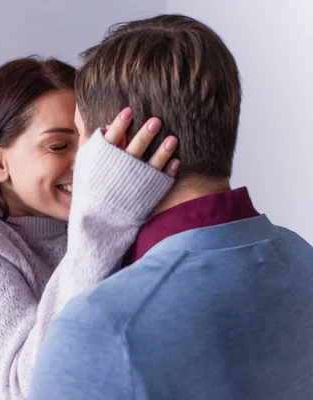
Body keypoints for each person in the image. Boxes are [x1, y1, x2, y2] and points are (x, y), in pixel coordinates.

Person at [28, 14, 313, 400]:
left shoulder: (102, 328)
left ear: (120, 143)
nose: (78, 160)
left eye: (81, 136)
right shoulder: (303, 257)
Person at [0, 56, 180, 400]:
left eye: (91, 145)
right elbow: (32, 389)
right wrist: (106, 215)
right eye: (57, 146)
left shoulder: (85, 225)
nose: (85, 165)